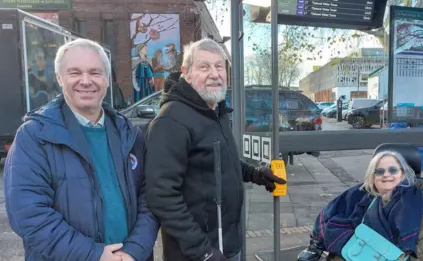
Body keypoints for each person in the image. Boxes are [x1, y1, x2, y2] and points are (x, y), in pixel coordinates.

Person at [3, 38, 159, 261]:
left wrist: (133, 251)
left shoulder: (130, 135)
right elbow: (29, 214)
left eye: (95, 73)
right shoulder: (34, 136)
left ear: (107, 79)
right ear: (59, 78)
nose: (86, 81)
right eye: (74, 72)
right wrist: (94, 255)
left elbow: (149, 200)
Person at [145, 38, 286, 261]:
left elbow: (222, 162)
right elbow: (162, 196)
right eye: (204, 66)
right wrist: (203, 252)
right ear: (186, 73)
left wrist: (256, 174)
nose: (214, 73)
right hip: (198, 254)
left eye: (219, 66)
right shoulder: (171, 120)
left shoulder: (215, 111)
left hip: (227, 247)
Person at [297, 150, 423, 261]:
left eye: (392, 170)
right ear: (372, 176)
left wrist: (414, 255)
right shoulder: (354, 197)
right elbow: (325, 220)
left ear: (402, 174)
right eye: (379, 171)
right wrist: (316, 246)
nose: (386, 175)